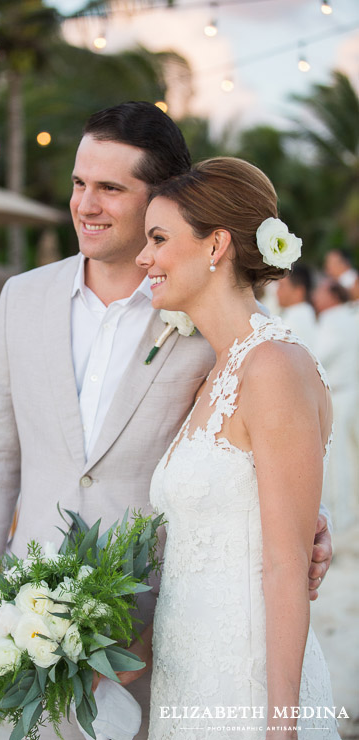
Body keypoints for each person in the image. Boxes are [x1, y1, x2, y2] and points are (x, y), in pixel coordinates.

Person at [0, 105, 332, 740]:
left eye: (110, 188)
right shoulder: (23, 298)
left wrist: (312, 531)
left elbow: (271, 447)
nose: (86, 204)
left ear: (163, 199)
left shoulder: (207, 321)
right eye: (78, 183)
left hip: (153, 626)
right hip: (22, 616)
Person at [136, 158, 340, 739]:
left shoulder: (274, 365)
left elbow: (283, 564)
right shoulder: (214, 369)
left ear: (216, 245)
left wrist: (282, 726)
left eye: (158, 238)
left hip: (247, 686)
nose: (143, 257)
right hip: (187, 676)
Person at [313, 278, 358, 531]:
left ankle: (342, 520)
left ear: (333, 296)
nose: (317, 297)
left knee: (339, 462)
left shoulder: (333, 320)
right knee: (350, 458)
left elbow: (319, 355)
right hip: (350, 393)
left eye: (321, 291)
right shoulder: (349, 318)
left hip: (340, 396)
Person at [276, 263, 316, 349]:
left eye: (281, 286)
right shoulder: (307, 313)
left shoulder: (291, 324)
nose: (277, 291)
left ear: (299, 291)